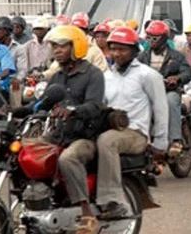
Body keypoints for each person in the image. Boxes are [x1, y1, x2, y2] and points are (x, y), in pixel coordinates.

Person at [95, 26, 168, 221]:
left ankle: (113, 200)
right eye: (113, 49)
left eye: (123, 49)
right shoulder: (106, 77)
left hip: (136, 133)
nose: (117, 53)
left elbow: (161, 108)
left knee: (106, 141)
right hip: (111, 129)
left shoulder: (148, 75)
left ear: (135, 50)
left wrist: (161, 143)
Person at [42, 24, 106, 232]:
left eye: (62, 46)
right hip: (60, 133)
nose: (57, 51)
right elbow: (42, 103)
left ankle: (86, 212)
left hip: (86, 136)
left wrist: (73, 110)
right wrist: (17, 110)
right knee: (27, 151)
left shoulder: (93, 74)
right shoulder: (57, 76)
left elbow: (95, 105)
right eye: (54, 47)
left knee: (67, 158)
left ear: (76, 46)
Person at [138, 20, 191, 157]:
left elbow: (187, 73)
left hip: (169, 91)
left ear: (164, 38)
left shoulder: (176, 56)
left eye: (155, 38)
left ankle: (175, 140)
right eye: (149, 37)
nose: (151, 41)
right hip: (148, 94)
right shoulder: (142, 57)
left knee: (170, 101)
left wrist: (177, 78)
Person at [44, 12, 109, 79]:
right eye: (74, 30)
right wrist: (42, 76)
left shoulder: (94, 50)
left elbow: (101, 73)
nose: (77, 33)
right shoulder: (67, 49)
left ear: (86, 31)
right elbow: (54, 69)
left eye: (80, 30)